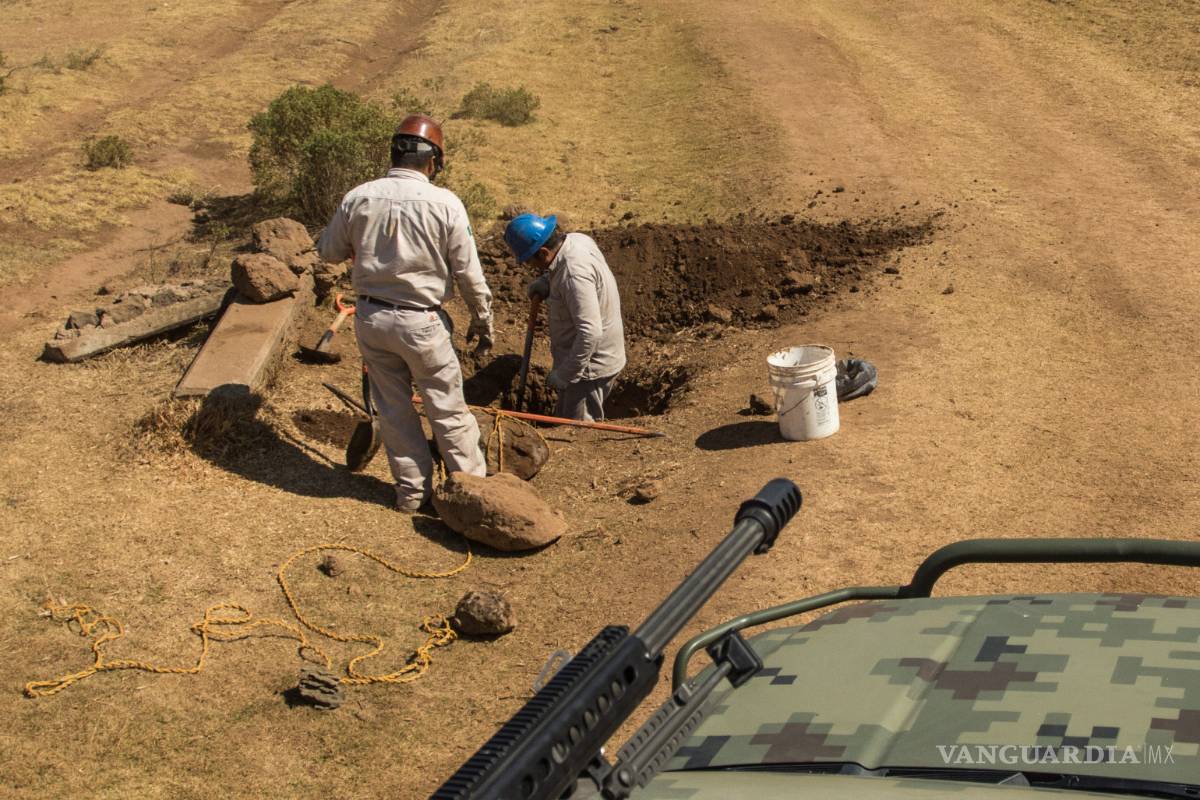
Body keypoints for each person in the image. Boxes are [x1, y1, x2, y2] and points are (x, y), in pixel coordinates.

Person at [317, 114, 493, 512]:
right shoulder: (445, 203)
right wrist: (483, 320)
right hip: (422, 323)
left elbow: (327, 251)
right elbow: (468, 273)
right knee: (447, 411)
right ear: (434, 162)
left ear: (394, 153)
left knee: (395, 413)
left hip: (372, 320)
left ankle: (413, 497)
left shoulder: (358, 197)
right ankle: (473, 498)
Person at [503, 213, 625, 421]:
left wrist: (565, 374)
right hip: (589, 360)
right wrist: (548, 281)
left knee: (576, 432)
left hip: (588, 370)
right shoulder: (576, 240)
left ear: (543, 253)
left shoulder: (573, 274)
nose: (529, 267)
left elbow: (590, 333)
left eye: (529, 261)